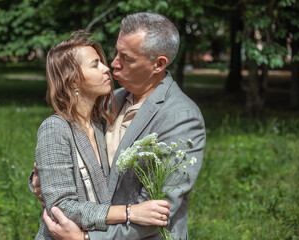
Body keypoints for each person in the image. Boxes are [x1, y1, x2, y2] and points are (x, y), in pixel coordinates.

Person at [33, 12, 206, 240]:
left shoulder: (181, 118)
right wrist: (46, 180)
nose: (113, 64)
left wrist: (85, 239)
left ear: (158, 64)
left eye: (126, 58)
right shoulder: (109, 101)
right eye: (115, 53)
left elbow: (157, 213)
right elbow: (75, 154)